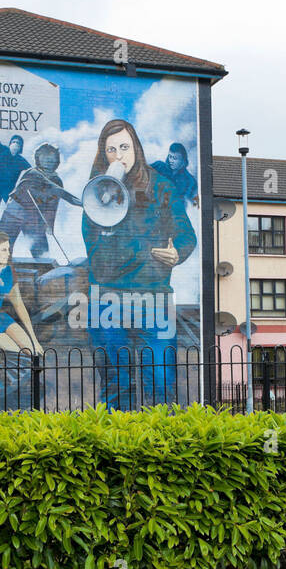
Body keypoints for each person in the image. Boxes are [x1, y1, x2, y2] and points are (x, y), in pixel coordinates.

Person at [81, 119, 196, 409]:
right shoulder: (96, 191)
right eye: (111, 150)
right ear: (102, 154)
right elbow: (95, 253)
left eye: (124, 147)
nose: (119, 155)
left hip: (153, 298)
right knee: (116, 384)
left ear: (136, 148)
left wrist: (177, 252)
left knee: (160, 381)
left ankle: (157, 449)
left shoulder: (161, 187)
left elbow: (186, 235)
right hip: (107, 298)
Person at [0, 125, 30, 221]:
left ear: (20, 147)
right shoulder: (4, 150)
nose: (15, 144)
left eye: (18, 143)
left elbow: (31, 171)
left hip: (9, 187)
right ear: (10, 143)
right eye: (13, 142)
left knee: (12, 207)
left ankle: (12, 224)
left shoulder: (21, 160)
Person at [150, 142, 198, 209]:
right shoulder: (158, 166)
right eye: (170, 157)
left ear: (182, 160)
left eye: (175, 158)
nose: (171, 161)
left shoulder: (190, 181)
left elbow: (194, 205)